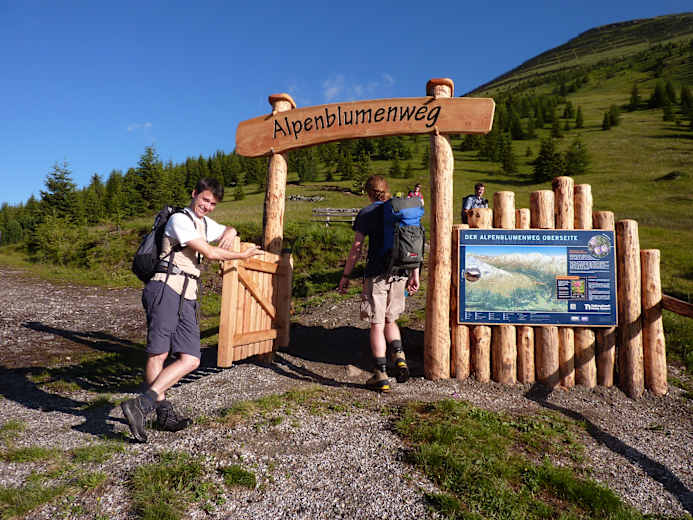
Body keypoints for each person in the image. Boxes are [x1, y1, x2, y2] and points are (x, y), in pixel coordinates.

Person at [121, 178, 261, 442]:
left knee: (192, 358)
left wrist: (230, 230)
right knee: (159, 354)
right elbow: (209, 252)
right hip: (165, 287)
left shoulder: (204, 223)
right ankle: (162, 413)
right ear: (194, 193)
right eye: (205, 200)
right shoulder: (179, 220)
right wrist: (242, 256)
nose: (207, 206)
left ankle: (142, 404)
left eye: (213, 204)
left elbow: (224, 230)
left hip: (187, 294)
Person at [337, 175, 420, 392]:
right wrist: (415, 274)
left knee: (377, 323)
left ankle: (381, 374)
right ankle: (400, 358)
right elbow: (412, 243)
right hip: (401, 272)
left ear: (369, 193)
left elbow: (356, 248)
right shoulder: (401, 211)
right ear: (387, 190)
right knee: (391, 319)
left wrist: (346, 276)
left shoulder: (366, 213)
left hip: (376, 274)